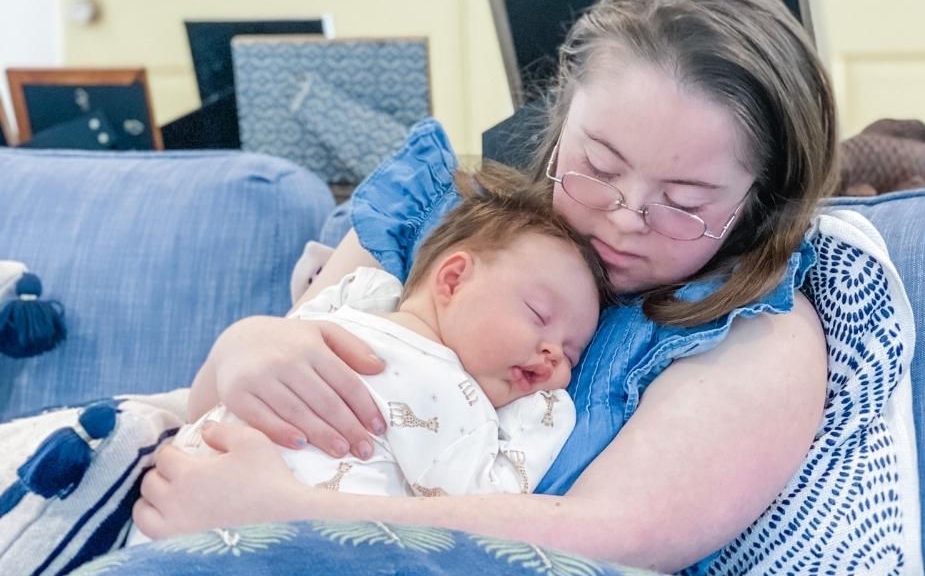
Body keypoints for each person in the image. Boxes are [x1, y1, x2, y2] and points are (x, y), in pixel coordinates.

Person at [133, 0, 837, 574]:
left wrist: (289, 522)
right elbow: (227, 427)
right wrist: (239, 352)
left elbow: (613, 538)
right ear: (560, 120)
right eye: (597, 164)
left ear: (759, 202)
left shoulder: (759, 336)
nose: (625, 216)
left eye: (685, 202)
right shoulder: (445, 223)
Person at [127, 166, 604, 550]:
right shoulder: (356, 302)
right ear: (454, 279)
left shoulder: (473, 411)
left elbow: (480, 513)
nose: (553, 355)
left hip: (281, 552)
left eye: (571, 354)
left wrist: (537, 417)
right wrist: (240, 341)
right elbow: (210, 403)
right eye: (539, 314)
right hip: (175, 502)